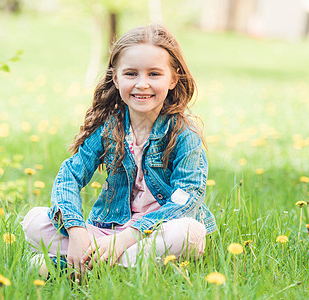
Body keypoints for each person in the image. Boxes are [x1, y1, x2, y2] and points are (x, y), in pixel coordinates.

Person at [21, 24, 216, 277]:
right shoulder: (108, 128)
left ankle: (80, 267)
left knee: (190, 233)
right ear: (116, 78)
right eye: (131, 74)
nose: (142, 84)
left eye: (154, 74)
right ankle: (107, 262)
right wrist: (77, 230)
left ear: (172, 79)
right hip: (105, 231)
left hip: (152, 233)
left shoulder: (183, 136)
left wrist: (124, 241)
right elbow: (69, 175)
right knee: (34, 221)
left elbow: (185, 200)